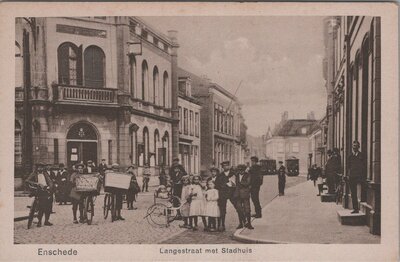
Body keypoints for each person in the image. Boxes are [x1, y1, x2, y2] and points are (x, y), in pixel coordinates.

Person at [25, 162, 54, 227]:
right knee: (41, 207)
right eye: (39, 167)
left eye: (42, 167)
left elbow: (50, 181)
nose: (40, 168)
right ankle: (39, 221)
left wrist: (49, 187)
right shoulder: (34, 174)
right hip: (39, 192)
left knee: (49, 207)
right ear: (37, 168)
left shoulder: (45, 174)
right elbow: (27, 181)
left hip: (47, 191)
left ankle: (46, 221)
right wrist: (37, 184)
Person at [214, 161, 236, 232]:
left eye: (227, 165)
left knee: (238, 207)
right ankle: (222, 225)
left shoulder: (234, 174)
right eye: (224, 166)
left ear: (229, 166)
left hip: (232, 194)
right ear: (222, 167)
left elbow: (237, 184)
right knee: (222, 210)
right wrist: (222, 186)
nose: (225, 167)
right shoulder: (220, 175)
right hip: (223, 194)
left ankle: (243, 223)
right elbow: (216, 185)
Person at [346, 141, 364, 213]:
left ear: (358, 147)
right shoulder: (350, 156)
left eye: (356, 146)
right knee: (353, 193)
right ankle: (355, 209)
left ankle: (359, 208)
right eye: (353, 146)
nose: (354, 147)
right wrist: (347, 175)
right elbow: (348, 167)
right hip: (352, 177)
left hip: (359, 177)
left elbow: (363, 166)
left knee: (359, 193)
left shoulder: (361, 155)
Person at [234, 164, 254, 229]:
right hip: (237, 194)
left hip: (245, 195)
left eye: (242, 170)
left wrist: (240, 183)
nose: (241, 172)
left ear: (244, 170)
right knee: (239, 209)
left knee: (247, 210)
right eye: (239, 170)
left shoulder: (248, 175)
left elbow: (247, 183)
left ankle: (249, 223)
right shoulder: (236, 175)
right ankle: (241, 223)